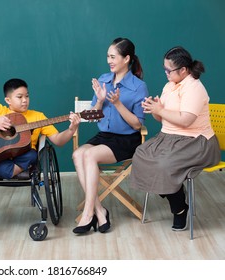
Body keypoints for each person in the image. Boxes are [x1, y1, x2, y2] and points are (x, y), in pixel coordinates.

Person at [130, 46, 221, 231]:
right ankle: (176, 191)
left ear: (184, 70)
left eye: (169, 70)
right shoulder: (169, 86)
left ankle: (179, 209)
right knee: (141, 154)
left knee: (164, 166)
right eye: (164, 69)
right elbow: (162, 118)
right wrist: (154, 108)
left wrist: (160, 110)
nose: (166, 73)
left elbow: (186, 121)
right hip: (168, 137)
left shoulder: (194, 87)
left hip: (196, 141)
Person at [72, 37, 148, 234]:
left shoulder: (138, 86)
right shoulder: (104, 79)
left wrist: (117, 104)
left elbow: (137, 124)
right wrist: (100, 101)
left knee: (89, 155)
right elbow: (92, 114)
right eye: (108, 56)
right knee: (77, 154)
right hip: (104, 136)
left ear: (126, 59)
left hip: (126, 140)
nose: (109, 60)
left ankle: (88, 214)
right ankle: (100, 211)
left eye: (113, 56)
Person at [0, 78, 81, 179]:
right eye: (19, 97)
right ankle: (10, 170)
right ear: (8, 100)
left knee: (32, 155)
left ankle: (12, 170)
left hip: (24, 156)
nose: (25, 100)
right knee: (0, 167)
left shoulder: (38, 117)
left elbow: (58, 140)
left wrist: (71, 129)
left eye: (27, 96)